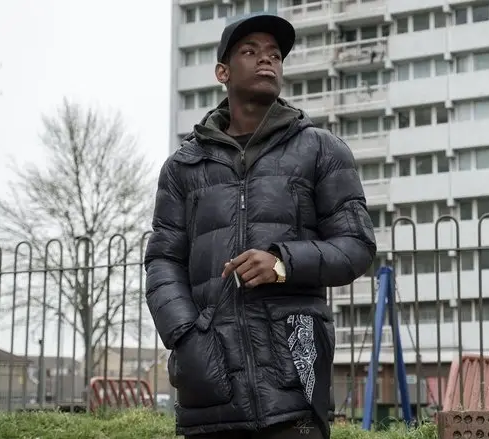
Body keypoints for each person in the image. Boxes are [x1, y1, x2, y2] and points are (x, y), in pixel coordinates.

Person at [144, 13, 376, 439]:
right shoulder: (182, 167)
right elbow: (162, 261)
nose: (266, 59)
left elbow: (357, 245)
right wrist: (187, 336)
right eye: (250, 51)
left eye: (275, 54)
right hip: (208, 379)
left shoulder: (321, 149)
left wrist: (282, 263)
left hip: (294, 376)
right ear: (223, 72)